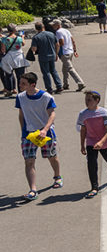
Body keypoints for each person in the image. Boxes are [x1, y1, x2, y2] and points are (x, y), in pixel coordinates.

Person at [16, 71, 60, 201]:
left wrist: (45, 129)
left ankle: (57, 176)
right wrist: (23, 132)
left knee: (51, 157)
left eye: (23, 84)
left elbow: (52, 114)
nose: (20, 85)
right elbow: (21, 114)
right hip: (28, 134)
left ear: (32, 84)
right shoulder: (20, 97)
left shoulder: (46, 97)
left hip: (45, 133)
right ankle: (33, 190)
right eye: (20, 83)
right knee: (29, 161)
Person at [77, 90, 107, 198]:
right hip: (91, 141)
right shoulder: (83, 114)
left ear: (97, 101)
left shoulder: (103, 113)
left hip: (104, 141)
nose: (87, 102)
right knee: (91, 163)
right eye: (86, 100)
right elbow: (83, 130)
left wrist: (101, 142)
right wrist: (82, 145)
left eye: (89, 100)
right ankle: (94, 187)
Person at [30, 21, 61, 94]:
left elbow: (34, 48)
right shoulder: (51, 34)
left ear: (36, 29)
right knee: (53, 71)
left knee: (46, 72)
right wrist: (56, 54)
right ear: (43, 27)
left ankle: (49, 88)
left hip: (43, 56)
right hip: (52, 54)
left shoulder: (36, 37)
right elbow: (57, 44)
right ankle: (59, 86)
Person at [56, 20, 86, 92]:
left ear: (57, 25)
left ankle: (80, 82)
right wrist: (75, 50)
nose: (52, 26)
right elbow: (72, 40)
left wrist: (56, 52)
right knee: (65, 69)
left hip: (64, 52)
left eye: (53, 25)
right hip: (70, 51)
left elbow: (61, 43)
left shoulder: (58, 32)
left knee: (70, 68)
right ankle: (65, 84)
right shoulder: (66, 31)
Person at [1, 24, 28, 97]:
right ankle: (21, 91)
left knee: (8, 75)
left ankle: (9, 90)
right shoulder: (19, 38)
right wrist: (22, 37)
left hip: (9, 57)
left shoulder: (4, 39)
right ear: (15, 30)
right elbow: (23, 44)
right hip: (19, 57)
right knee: (20, 75)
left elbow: (3, 50)